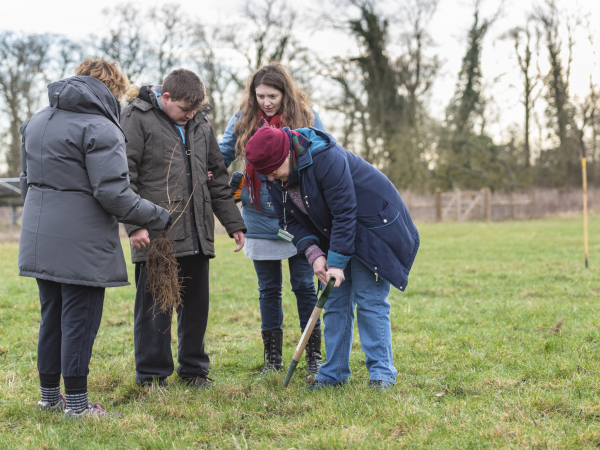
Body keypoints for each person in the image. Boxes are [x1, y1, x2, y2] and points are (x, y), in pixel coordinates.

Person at [18, 58, 170, 418]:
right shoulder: (101, 127)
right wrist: (157, 215)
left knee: (51, 316)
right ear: (112, 89)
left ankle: (49, 398)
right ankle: (76, 406)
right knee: (79, 320)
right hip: (82, 243)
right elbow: (114, 193)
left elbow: (26, 183)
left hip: (39, 236)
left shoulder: (37, 121)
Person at [244, 125, 420, 390]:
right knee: (335, 302)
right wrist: (314, 255)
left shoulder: (326, 157)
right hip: (334, 233)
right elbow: (288, 221)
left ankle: (382, 374)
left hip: (371, 227)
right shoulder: (276, 179)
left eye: (272, 171)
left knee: (370, 300)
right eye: (265, 174)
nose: (270, 178)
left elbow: (345, 212)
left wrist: (336, 263)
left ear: (286, 156)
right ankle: (332, 375)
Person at [121, 69, 246, 388]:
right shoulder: (136, 118)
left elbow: (218, 178)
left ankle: (194, 370)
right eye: (185, 110)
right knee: (155, 310)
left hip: (197, 232)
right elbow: (124, 177)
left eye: (195, 111)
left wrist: (233, 224)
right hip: (157, 236)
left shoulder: (200, 123)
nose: (190, 115)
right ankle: (151, 375)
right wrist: (135, 225)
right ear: (165, 98)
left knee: (195, 310)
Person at [220, 63, 325, 379]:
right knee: (268, 289)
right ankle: (273, 360)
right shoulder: (242, 119)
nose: (266, 102)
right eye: (260, 95)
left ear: (286, 94)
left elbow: (324, 155)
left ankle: (314, 359)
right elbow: (221, 154)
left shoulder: (307, 117)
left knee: (305, 287)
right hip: (258, 216)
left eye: (273, 96)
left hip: (299, 216)